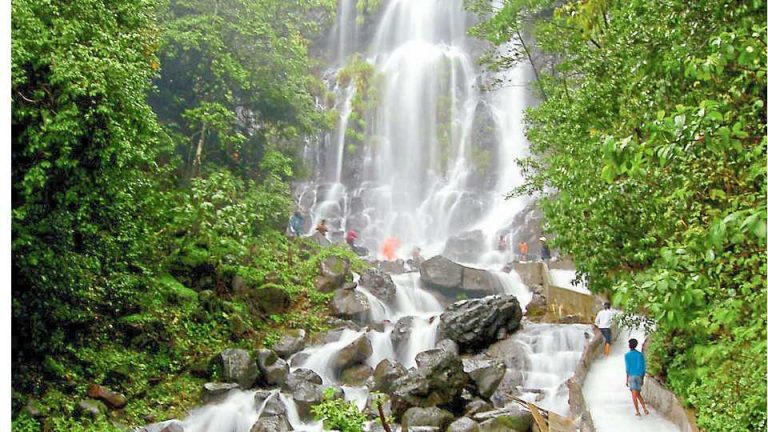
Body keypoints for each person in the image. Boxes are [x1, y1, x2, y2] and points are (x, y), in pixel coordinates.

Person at [625, 338, 650, 416]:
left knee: (634, 395)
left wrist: (626, 380)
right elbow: (643, 367)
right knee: (638, 394)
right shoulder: (640, 355)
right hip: (639, 376)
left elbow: (627, 368)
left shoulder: (627, 355)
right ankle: (645, 408)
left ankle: (637, 411)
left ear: (629, 345)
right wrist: (642, 378)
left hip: (632, 376)